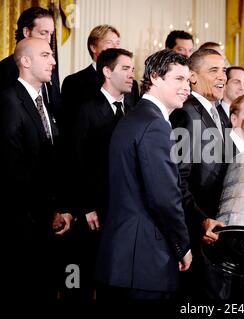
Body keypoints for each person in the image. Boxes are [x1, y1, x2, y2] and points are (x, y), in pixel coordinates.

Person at [95, 49, 192, 300]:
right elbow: (165, 198)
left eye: (188, 81)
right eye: (179, 79)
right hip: (144, 261)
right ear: (156, 78)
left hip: (122, 257)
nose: (187, 87)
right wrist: (183, 245)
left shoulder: (136, 117)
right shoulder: (155, 125)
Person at [0, 37, 72, 299]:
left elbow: (55, 162)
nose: (53, 61)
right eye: (45, 55)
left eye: (52, 55)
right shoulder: (8, 102)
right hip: (23, 226)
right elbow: (14, 171)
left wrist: (63, 208)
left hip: (47, 222)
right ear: (26, 61)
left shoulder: (47, 102)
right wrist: (49, 212)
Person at [67, 48, 135, 300]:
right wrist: (85, 207)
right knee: (84, 278)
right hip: (94, 209)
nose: (132, 75)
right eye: (125, 69)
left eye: (133, 69)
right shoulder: (86, 109)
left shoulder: (132, 107)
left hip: (122, 208)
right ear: (107, 71)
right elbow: (75, 161)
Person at [170, 48, 231, 299]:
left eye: (224, 70)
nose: (222, 77)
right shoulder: (185, 114)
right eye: (214, 70)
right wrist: (200, 220)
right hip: (198, 232)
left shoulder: (219, 112)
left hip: (220, 228)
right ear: (192, 77)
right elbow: (177, 180)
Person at [61, 25, 139, 135]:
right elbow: (70, 128)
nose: (115, 47)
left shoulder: (132, 85)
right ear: (93, 47)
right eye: (109, 42)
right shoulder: (74, 82)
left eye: (117, 43)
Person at [0, 6, 61, 122]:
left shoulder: (49, 66)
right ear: (27, 32)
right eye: (44, 33)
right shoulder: (5, 69)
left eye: (51, 34)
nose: (48, 40)